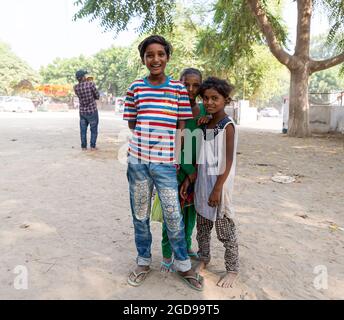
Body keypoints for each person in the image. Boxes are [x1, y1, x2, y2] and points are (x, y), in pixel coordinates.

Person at [123, 35, 204, 291]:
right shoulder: (136, 87)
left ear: (167, 57)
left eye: (160, 54)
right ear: (144, 59)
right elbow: (132, 123)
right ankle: (143, 261)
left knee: (172, 213)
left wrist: (174, 157)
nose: (155, 59)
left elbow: (182, 127)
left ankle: (182, 264)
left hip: (166, 164)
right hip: (138, 162)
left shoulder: (178, 89)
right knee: (140, 213)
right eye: (150, 55)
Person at [180, 77, 239, 288]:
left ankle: (232, 269)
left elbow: (228, 160)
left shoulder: (227, 126)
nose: (210, 102)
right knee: (203, 228)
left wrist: (217, 189)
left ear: (226, 99)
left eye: (215, 98)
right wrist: (191, 177)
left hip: (219, 187)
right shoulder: (208, 123)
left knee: (225, 230)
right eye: (206, 98)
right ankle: (204, 258)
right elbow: (204, 152)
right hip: (203, 183)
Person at [160, 68, 207, 272]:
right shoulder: (171, 110)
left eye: (195, 85)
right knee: (171, 213)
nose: (190, 89)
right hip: (175, 170)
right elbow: (171, 143)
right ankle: (167, 254)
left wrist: (194, 172)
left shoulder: (205, 111)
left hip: (197, 172)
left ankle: (186, 247)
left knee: (190, 213)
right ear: (178, 83)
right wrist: (187, 170)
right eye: (186, 84)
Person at [73, 69, 100, 151]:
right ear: (82, 77)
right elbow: (97, 96)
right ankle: (92, 146)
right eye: (84, 75)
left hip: (82, 111)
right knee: (93, 129)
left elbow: (81, 96)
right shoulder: (90, 84)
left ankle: (84, 147)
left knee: (83, 130)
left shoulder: (76, 87)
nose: (85, 76)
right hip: (92, 110)